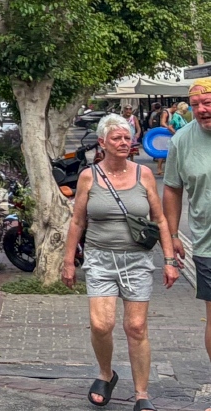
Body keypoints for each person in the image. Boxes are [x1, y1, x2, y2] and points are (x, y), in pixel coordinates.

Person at [64, 113, 179, 411]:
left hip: (137, 260)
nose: (124, 142)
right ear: (102, 142)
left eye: (127, 137)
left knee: (136, 327)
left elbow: (159, 219)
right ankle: (106, 374)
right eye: (117, 138)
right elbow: (77, 222)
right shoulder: (89, 176)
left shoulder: (144, 175)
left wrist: (169, 260)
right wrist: (68, 262)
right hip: (100, 259)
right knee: (101, 324)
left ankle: (142, 394)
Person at [162, 78, 211, 411]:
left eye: (207, 103)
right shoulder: (181, 140)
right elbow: (172, 189)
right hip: (207, 247)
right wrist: (174, 235)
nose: (202, 110)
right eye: (196, 105)